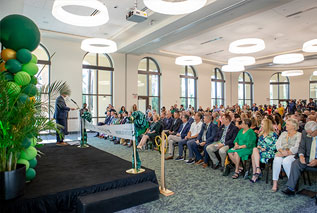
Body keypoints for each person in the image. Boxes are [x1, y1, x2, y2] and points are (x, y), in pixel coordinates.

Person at [283, 121, 317, 195]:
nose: (309, 135)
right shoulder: (305, 133)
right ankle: (291, 188)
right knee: (295, 163)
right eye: (307, 133)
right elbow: (301, 147)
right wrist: (301, 155)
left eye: (311, 133)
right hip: (308, 157)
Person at [271, 118, 301, 192]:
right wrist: (281, 151)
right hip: (282, 152)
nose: (285, 125)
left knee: (286, 161)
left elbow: (297, 147)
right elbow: (277, 144)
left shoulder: (299, 135)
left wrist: (287, 153)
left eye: (287, 124)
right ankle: (275, 183)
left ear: (293, 126)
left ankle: (292, 182)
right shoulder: (284, 133)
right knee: (277, 160)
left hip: (293, 154)